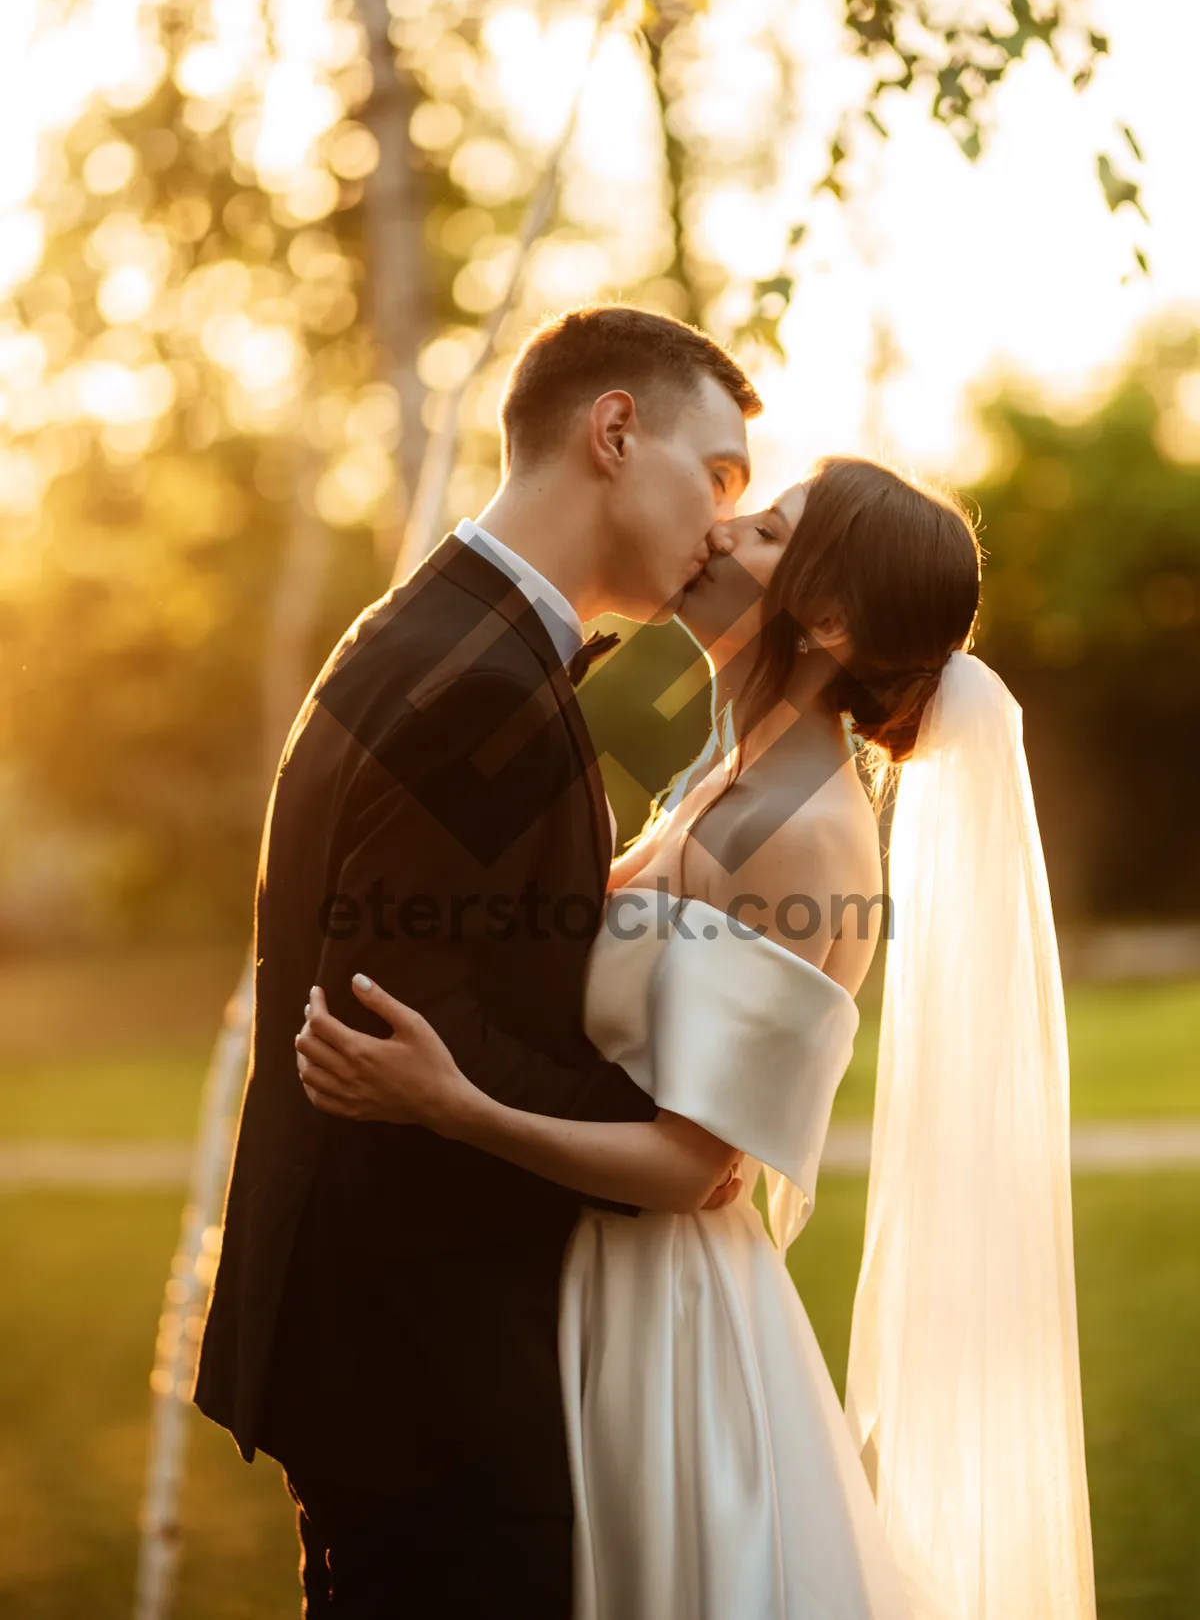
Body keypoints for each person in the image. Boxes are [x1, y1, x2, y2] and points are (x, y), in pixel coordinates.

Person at [299, 457, 1097, 1620]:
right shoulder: (727, 773)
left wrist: (449, 1101)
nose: (722, 534)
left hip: (663, 1325)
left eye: (766, 531)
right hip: (591, 1279)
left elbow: (694, 1168)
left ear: (824, 618)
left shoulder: (802, 836)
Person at [192, 304, 760, 1617]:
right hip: (425, 1370)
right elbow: (401, 1031)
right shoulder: (484, 683)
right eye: (717, 475)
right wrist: (678, 1141)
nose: (725, 524)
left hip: (390, 1344)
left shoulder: (437, 629)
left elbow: (474, 940)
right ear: (614, 431)